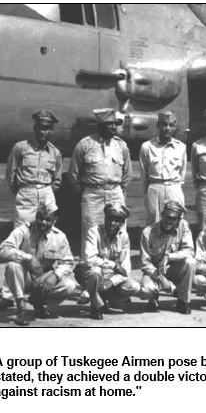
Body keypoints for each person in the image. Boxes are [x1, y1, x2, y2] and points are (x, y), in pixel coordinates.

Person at [0, 109, 63, 311]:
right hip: (26, 194)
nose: (43, 132)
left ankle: (39, 289)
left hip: (46, 192)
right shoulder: (21, 148)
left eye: (47, 128)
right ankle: (9, 294)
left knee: (48, 239)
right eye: (40, 128)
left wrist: (46, 192)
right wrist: (23, 192)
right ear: (35, 128)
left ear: (51, 130)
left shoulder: (55, 152)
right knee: (21, 240)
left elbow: (57, 180)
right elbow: (11, 175)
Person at [68, 108, 132, 304]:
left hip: (115, 192)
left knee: (118, 237)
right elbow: (74, 175)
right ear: (99, 126)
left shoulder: (121, 146)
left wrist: (116, 192)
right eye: (108, 125)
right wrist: (90, 191)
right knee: (90, 237)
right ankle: (88, 287)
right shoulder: (85, 145)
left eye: (115, 124)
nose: (113, 128)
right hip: (92, 194)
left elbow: (127, 175)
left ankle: (118, 282)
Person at [0, 201, 76, 326]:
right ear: (36, 216)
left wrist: (55, 276)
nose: (43, 223)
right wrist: (28, 257)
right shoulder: (23, 230)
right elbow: (2, 250)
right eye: (40, 218)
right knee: (12, 265)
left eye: (48, 220)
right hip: (24, 277)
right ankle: (21, 309)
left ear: (55, 220)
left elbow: (68, 262)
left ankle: (38, 302)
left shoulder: (60, 237)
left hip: (43, 278)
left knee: (69, 286)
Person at [81, 203, 141, 320]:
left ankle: (108, 298)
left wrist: (112, 282)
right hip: (94, 274)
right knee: (95, 272)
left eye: (117, 220)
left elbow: (125, 269)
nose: (113, 223)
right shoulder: (94, 232)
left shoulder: (124, 236)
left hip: (111, 277)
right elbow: (89, 260)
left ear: (122, 223)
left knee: (134, 286)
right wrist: (114, 265)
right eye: (110, 218)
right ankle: (95, 307)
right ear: (105, 218)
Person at [140, 201, 196, 314]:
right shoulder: (147, 232)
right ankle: (153, 297)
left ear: (179, 219)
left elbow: (189, 251)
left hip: (172, 269)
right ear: (162, 214)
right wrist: (160, 278)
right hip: (154, 272)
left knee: (190, 262)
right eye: (167, 217)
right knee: (147, 290)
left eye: (174, 219)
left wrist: (169, 257)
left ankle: (183, 301)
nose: (169, 221)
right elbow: (145, 263)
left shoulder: (183, 226)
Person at [139, 111, 187, 226]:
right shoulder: (147, 147)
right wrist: (148, 192)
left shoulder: (181, 147)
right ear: (158, 125)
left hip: (174, 188)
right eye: (164, 124)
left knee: (176, 222)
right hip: (155, 188)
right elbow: (143, 173)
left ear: (175, 127)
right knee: (153, 223)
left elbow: (183, 172)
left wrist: (174, 186)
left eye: (171, 125)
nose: (167, 128)